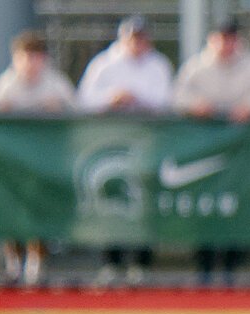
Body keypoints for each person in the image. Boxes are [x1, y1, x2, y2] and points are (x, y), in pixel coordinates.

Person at [173, 19, 250, 287]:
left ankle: (232, 270)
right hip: (204, 155)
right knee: (206, 209)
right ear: (211, 39)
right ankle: (205, 270)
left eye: (230, 38)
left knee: (236, 207)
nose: (225, 44)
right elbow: (175, 96)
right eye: (220, 37)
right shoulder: (196, 67)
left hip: (241, 156)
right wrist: (195, 105)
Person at [78, 15, 172, 286]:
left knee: (144, 202)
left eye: (142, 37)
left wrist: (136, 97)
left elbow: (167, 99)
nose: (137, 43)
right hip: (108, 144)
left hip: (145, 142)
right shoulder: (104, 64)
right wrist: (112, 98)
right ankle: (111, 262)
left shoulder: (157, 64)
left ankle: (141, 263)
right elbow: (84, 99)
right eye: (133, 37)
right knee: (109, 200)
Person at [0, 32, 75, 286]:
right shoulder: (6, 83)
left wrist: (57, 109)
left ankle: (36, 266)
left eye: (35, 56)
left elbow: (77, 109)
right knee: (13, 211)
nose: (30, 62)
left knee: (40, 210)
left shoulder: (55, 83)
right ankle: (14, 264)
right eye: (24, 56)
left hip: (45, 163)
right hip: (13, 162)